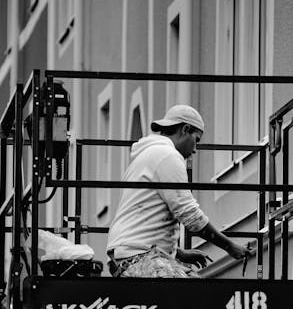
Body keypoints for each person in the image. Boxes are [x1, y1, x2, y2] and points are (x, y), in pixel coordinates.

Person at [106, 104, 255, 277]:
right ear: (185, 129)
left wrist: (177, 253)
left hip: (129, 254)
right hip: (138, 257)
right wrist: (229, 246)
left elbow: (146, 218)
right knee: (193, 297)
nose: (194, 150)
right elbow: (190, 216)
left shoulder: (149, 155)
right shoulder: (167, 156)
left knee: (195, 291)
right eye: (196, 140)